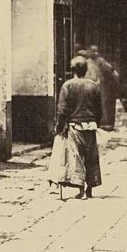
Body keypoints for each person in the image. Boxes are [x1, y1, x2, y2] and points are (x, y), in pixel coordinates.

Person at [49, 56, 103, 199]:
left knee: (76, 156)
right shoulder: (93, 86)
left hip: (74, 126)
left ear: (72, 70)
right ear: (85, 70)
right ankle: (90, 188)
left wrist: (59, 128)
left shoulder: (68, 86)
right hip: (90, 126)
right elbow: (99, 110)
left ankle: (80, 189)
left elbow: (62, 110)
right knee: (91, 157)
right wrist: (97, 122)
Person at [86, 45, 120, 131]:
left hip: (99, 85)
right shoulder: (86, 62)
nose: (95, 53)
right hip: (88, 84)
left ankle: (103, 121)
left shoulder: (100, 61)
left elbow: (110, 70)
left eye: (96, 51)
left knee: (101, 102)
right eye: (93, 51)